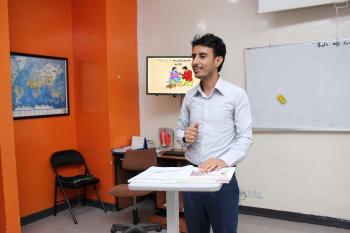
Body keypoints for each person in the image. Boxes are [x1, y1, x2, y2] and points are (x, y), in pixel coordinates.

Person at [176, 33, 252, 233]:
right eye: (193, 56)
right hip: (193, 177)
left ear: (218, 60)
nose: (194, 62)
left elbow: (245, 138)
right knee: (195, 230)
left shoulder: (236, 95)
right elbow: (180, 128)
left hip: (222, 179)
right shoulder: (189, 96)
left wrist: (223, 161)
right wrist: (185, 136)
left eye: (202, 56)